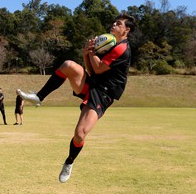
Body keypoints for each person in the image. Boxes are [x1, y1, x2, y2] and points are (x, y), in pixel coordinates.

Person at [17, 13, 135, 183]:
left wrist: (92, 51)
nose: (113, 25)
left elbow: (99, 68)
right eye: (114, 22)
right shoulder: (109, 42)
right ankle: (39, 96)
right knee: (68, 65)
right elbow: (93, 70)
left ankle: (69, 161)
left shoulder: (121, 48)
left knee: (80, 134)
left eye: (118, 24)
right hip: (93, 83)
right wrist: (86, 53)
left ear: (126, 30)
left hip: (104, 94)